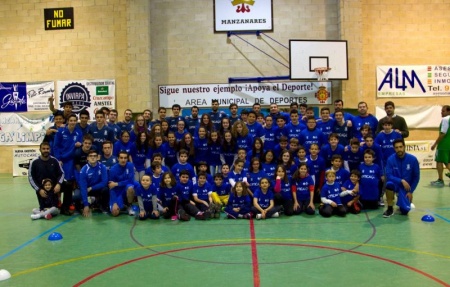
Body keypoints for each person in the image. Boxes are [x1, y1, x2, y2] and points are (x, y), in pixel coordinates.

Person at [383, 138, 420, 217]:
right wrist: (401, 181)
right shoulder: (390, 159)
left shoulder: (413, 159)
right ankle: (390, 208)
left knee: (404, 211)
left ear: (404, 147)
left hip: (406, 187)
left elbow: (416, 177)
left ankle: (402, 200)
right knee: (389, 184)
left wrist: (411, 191)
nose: (399, 149)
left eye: (400, 147)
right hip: (396, 184)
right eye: (396, 147)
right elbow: (389, 175)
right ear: (394, 149)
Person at [28, 142, 66, 216]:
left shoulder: (54, 161)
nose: (46, 150)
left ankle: (66, 207)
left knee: (68, 185)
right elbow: (31, 177)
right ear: (40, 150)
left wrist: (58, 184)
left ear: (50, 150)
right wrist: (39, 189)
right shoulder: (34, 162)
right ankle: (42, 213)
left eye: (47, 149)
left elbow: (62, 173)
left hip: (54, 189)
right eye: (44, 149)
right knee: (46, 208)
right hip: (42, 190)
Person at [76, 149, 109, 217]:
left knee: (105, 190)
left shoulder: (102, 167)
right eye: (91, 156)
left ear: (97, 157)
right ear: (87, 158)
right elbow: (83, 187)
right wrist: (86, 205)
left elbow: (104, 182)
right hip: (86, 189)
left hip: (96, 188)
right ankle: (81, 206)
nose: (93, 157)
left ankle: (103, 206)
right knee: (76, 196)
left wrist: (92, 188)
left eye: (94, 156)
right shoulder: (84, 170)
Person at [108, 151, 136, 216]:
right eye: (121, 158)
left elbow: (131, 181)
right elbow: (111, 187)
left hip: (126, 187)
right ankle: (121, 204)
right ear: (118, 158)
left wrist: (117, 184)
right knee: (115, 213)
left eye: (125, 158)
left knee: (131, 188)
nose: (123, 160)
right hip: (117, 191)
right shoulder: (113, 170)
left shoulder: (130, 165)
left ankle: (129, 206)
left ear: (127, 159)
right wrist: (114, 203)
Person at [430, 105, 450, 187]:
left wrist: (435, 144)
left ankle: (440, 180)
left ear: (449, 111)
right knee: (447, 161)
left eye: (443, 111)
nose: (441, 112)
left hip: (443, 144)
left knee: (439, 161)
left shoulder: (445, 119)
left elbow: (443, 133)